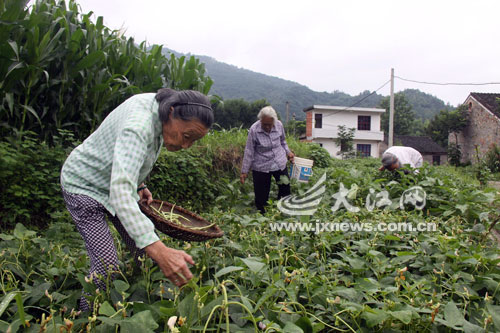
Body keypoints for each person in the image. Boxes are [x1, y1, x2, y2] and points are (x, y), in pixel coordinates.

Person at [60, 88, 213, 311]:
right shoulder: (139, 125)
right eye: (187, 136)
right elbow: (121, 192)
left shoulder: (158, 110)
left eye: (193, 141)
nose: (186, 145)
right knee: (107, 265)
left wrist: (139, 184)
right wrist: (161, 251)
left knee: (143, 252)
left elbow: (129, 157)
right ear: (172, 113)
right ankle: (86, 317)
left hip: (114, 185)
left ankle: (136, 298)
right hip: (84, 185)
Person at [240, 106, 295, 213]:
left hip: (279, 162)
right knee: (261, 196)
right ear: (261, 121)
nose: (267, 127)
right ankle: (263, 217)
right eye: (264, 124)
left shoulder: (279, 125)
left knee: (285, 189)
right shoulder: (254, 129)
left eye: (270, 124)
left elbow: (283, 141)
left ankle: (282, 211)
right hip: (261, 166)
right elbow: (249, 151)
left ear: (274, 121)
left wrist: (288, 152)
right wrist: (244, 171)